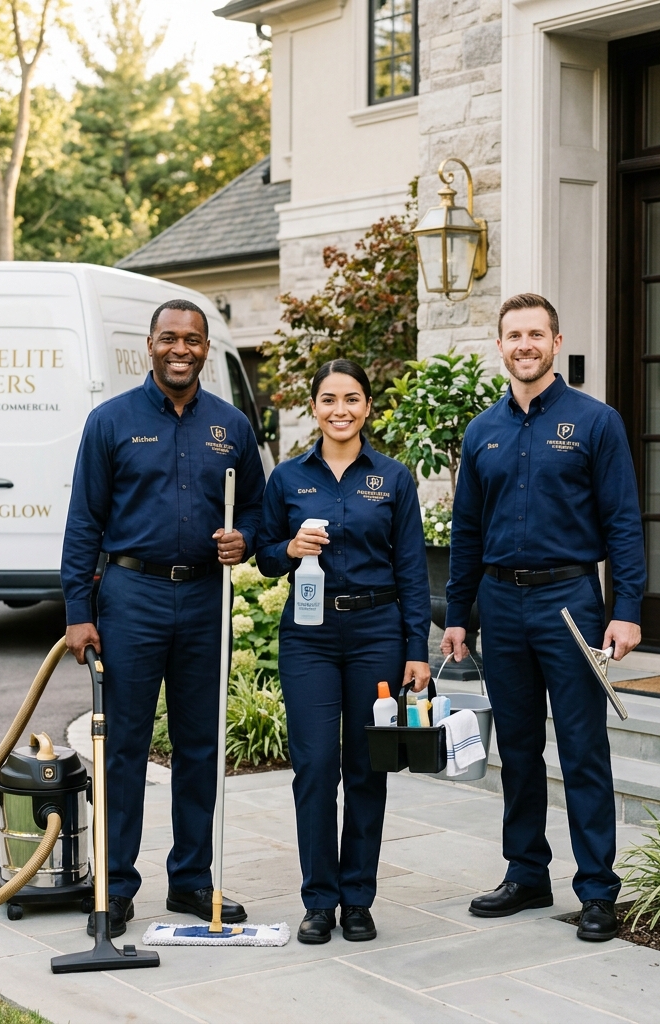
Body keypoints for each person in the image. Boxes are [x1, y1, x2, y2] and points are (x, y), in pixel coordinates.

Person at [442, 293, 645, 943]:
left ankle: (596, 890)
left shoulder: (595, 422)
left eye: (536, 334)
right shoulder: (482, 432)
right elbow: (466, 531)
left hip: (571, 605)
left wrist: (627, 611)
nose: (524, 345)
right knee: (519, 748)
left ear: (556, 343)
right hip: (501, 605)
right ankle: (527, 871)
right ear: (499, 346)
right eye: (513, 335)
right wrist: (457, 614)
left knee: (583, 748)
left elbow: (623, 523)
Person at [61, 298, 266, 937]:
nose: (182, 349)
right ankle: (115, 886)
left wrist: (246, 541)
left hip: (204, 598)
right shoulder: (111, 422)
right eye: (170, 338)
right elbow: (83, 522)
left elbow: (258, 510)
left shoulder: (231, 426)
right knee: (122, 747)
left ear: (206, 348)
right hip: (130, 598)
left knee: (199, 746)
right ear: (149, 344)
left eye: (194, 340)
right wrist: (78, 610)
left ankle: (192, 881)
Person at [256, 359, 432, 945]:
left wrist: (416, 650)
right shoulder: (287, 477)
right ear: (314, 408)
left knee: (366, 767)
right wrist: (288, 545)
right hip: (308, 634)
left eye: (352, 399)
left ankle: (357, 898)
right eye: (329, 399)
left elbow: (412, 569)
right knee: (313, 769)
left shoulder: (393, 478)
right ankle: (318, 899)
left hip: (377, 632)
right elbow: (262, 555)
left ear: (367, 408)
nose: (341, 409)